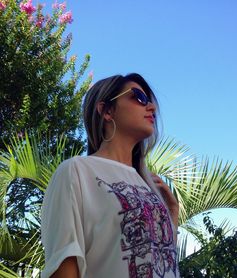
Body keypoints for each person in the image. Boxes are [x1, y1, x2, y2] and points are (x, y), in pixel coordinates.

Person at [41, 73, 180, 278]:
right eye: (139, 98)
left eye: (150, 102)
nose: (152, 108)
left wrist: (171, 213)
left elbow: (161, 261)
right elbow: (64, 265)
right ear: (106, 110)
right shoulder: (77, 171)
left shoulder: (146, 184)